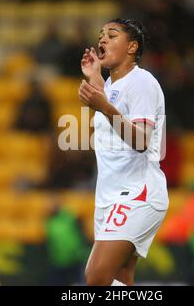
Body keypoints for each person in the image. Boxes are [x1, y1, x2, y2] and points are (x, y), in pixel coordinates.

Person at [78, 18, 168, 286]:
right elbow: (108, 133)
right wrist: (95, 78)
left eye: (112, 35)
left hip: (137, 192)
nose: (102, 39)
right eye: (101, 35)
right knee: (120, 278)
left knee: (96, 276)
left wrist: (103, 106)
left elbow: (141, 140)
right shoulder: (111, 87)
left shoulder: (141, 82)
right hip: (110, 195)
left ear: (132, 47)